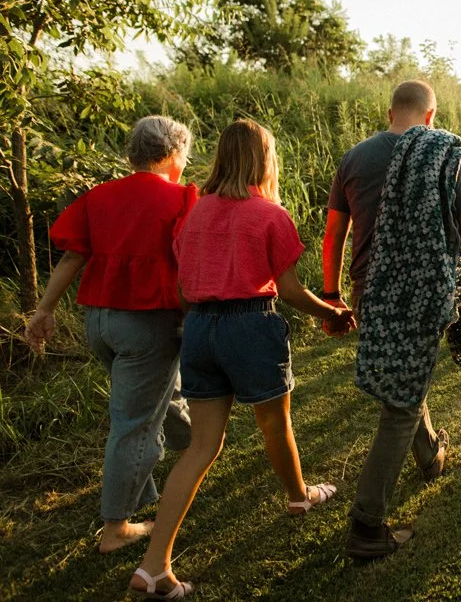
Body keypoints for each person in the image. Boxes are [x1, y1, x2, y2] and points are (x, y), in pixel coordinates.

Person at [129, 119, 354, 599]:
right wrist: (332, 311)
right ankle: (299, 497)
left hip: (200, 329)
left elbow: (183, 290)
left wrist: (205, 322)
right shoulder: (269, 214)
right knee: (275, 425)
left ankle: (154, 566)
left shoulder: (194, 214)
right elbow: (290, 290)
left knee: (201, 447)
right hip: (249, 323)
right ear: (264, 159)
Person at [321, 80, 461, 561]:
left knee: (406, 378)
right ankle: (368, 525)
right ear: (431, 116)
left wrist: (331, 294)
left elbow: (334, 233)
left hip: (367, 287)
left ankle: (430, 453)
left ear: (390, 111)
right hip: (418, 290)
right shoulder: (441, 152)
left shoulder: (354, 156)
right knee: (401, 404)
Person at [23, 116, 195, 555]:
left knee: (160, 396)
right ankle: (115, 528)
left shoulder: (98, 196)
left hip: (98, 321)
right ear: (174, 153)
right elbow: (190, 265)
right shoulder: (182, 198)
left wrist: (43, 311)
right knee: (134, 425)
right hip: (148, 322)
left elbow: (69, 260)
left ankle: (193, 453)